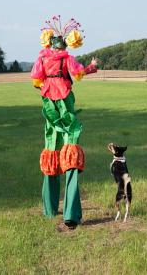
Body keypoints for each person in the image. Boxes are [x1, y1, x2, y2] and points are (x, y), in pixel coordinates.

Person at [31, 15, 97, 230]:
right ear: (66, 43)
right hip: (65, 103)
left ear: (49, 43)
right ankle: (70, 213)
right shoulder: (67, 58)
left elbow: (36, 80)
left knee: (51, 147)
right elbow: (78, 73)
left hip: (48, 103)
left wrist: (48, 86)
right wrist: (91, 67)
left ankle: (49, 208)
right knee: (70, 148)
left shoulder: (41, 58)